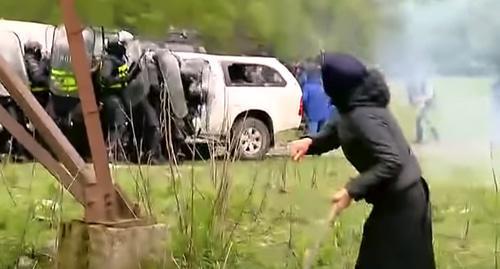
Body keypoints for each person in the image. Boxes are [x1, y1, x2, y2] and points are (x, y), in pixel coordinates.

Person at [290, 53, 435, 269]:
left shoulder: (363, 115)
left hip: (404, 202)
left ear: (335, 85)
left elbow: (392, 161)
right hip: (395, 200)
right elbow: (337, 130)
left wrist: (352, 190)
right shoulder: (351, 104)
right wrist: (311, 142)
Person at [99, 37, 133, 160]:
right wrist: (125, 78)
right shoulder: (109, 61)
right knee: (117, 125)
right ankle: (110, 153)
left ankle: (115, 152)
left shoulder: (118, 60)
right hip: (111, 98)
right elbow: (105, 79)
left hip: (118, 97)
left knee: (121, 125)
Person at [301, 67, 335, 134]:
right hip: (325, 113)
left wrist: (306, 111)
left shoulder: (307, 87)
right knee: (322, 135)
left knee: (312, 135)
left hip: (312, 114)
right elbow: (330, 99)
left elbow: (304, 99)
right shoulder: (323, 86)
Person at [407, 76, 439, 144]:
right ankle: (433, 135)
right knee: (425, 120)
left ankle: (422, 138)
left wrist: (418, 99)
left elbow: (429, 96)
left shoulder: (427, 84)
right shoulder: (422, 83)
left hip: (429, 104)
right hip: (425, 104)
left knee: (421, 120)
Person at [24, 41, 51, 108]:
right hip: (38, 93)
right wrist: (50, 82)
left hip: (41, 92)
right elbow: (37, 77)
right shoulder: (30, 60)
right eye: (39, 50)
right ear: (35, 49)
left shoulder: (34, 59)